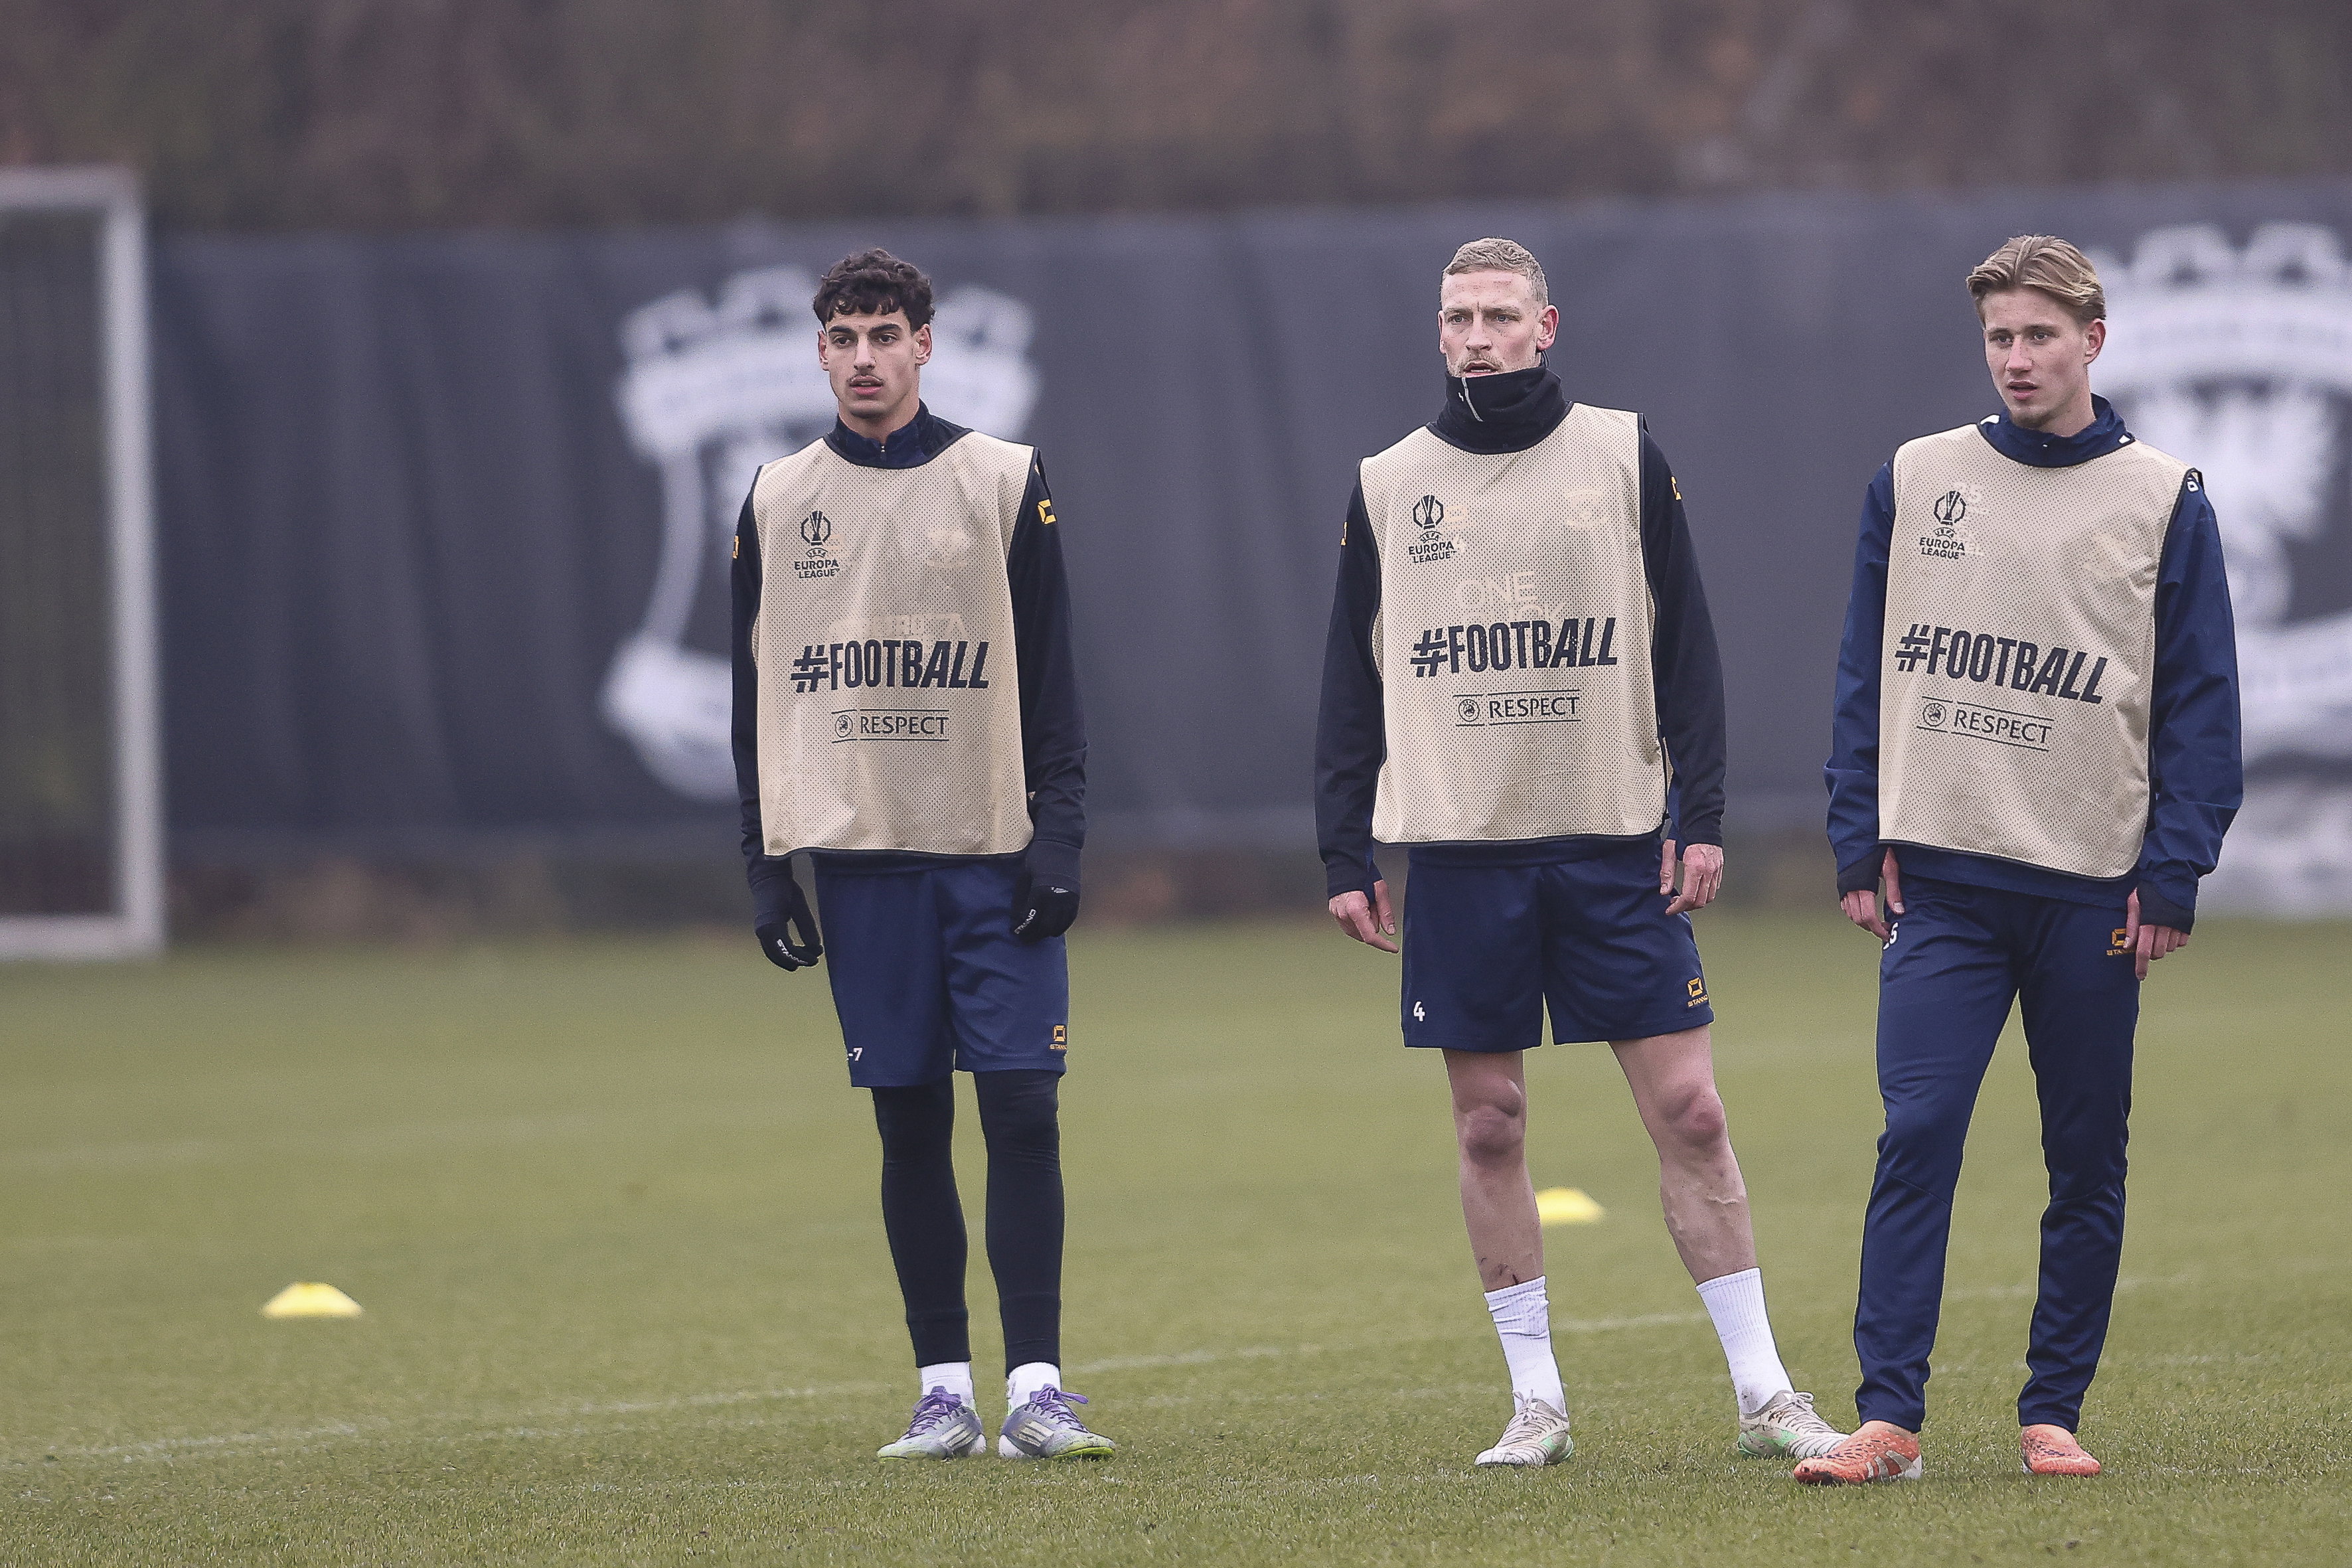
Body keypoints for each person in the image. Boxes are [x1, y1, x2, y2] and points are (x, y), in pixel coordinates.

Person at [1314, 237, 1846, 1469]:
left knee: (1692, 1110)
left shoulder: (1620, 451)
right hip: (1461, 848)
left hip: (1615, 841)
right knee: (1491, 1123)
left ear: (1546, 327)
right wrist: (1346, 845)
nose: (1479, 336)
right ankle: (1538, 1402)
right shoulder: (1390, 482)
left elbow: (1689, 641)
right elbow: (1353, 674)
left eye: (1502, 314)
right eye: (1459, 318)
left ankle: (1767, 1392)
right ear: (1437, 332)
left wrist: (1698, 813)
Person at [1801, 234, 2241, 1485]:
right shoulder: (1915, 476)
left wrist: (2176, 870)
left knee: (2084, 1157)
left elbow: (2204, 701)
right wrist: (1856, 831)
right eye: (2000, 336)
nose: (2018, 358)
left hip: (2094, 891)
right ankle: (1887, 1418)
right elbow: (1861, 670)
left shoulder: (2166, 497)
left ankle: (2054, 1406)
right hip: (1943, 879)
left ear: (2093, 340)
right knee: (1919, 1130)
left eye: (2041, 335)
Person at [730, 248, 1111, 1462]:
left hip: (991, 856)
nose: (862, 359)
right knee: (905, 1121)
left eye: (884, 334)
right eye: (841, 337)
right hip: (862, 863)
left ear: (925, 344)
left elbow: (1051, 675)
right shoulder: (778, 498)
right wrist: (761, 859)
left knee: (1022, 1108)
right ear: (820, 350)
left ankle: (1038, 1388)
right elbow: (760, 703)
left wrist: (1059, 834)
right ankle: (944, 1388)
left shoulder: (1000, 479)